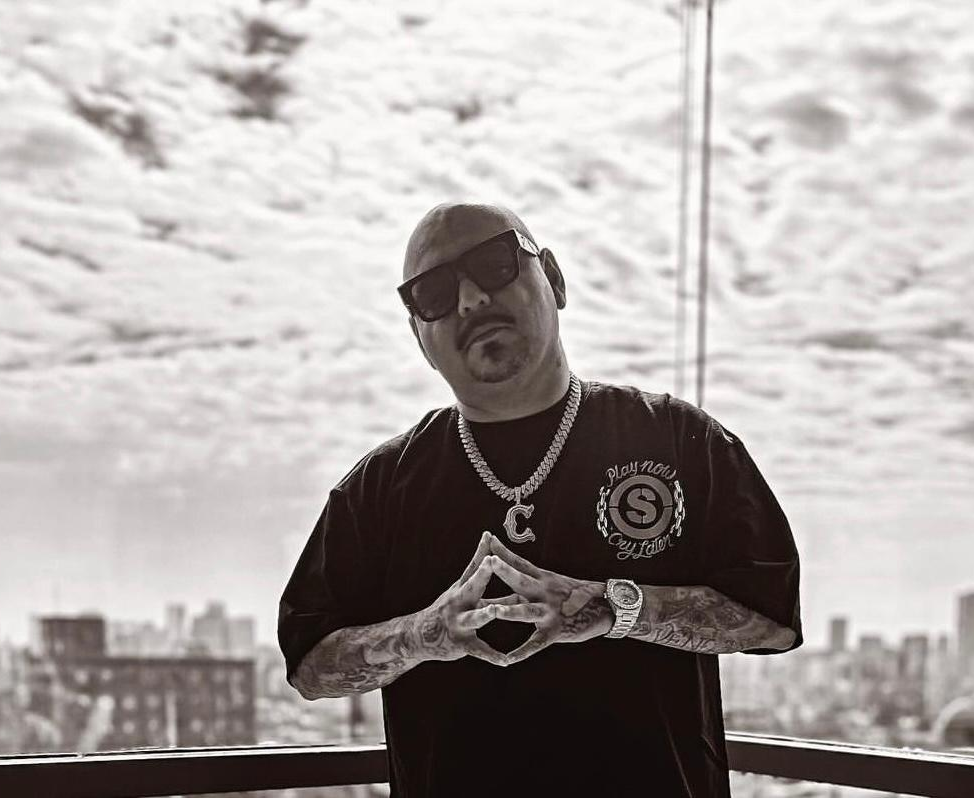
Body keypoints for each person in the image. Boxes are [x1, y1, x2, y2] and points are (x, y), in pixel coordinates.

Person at [278, 202, 802, 797]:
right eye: (434, 293)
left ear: (553, 279)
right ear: (420, 337)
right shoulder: (378, 487)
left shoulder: (680, 440)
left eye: (494, 263)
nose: (470, 299)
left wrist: (613, 608)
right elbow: (310, 667)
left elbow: (771, 620)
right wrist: (426, 634)